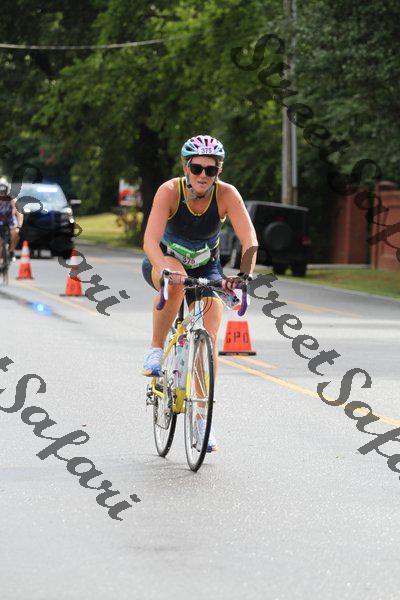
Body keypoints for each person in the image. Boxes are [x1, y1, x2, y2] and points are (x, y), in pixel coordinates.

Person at [141, 135, 258, 451]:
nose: (203, 175)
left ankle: (202, 418)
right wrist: (164, 269)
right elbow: (150, 241)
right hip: (165, 261)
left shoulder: (226, 195)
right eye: (197, 168)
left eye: (211, 169)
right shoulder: (170, 191)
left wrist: (244, 274)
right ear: (186, 167)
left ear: (219, 170)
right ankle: (155, 348)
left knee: (210, 332)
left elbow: (249, 240)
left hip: (207, 267)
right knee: (177, 283)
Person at [0, 182, 22, 261]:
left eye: (4, 193)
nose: (2, 195)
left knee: (16, 232)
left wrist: (19, 224)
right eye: (0, 193)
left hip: (10, 220)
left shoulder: (12, 199)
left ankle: (11, 251)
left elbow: (19, 213)